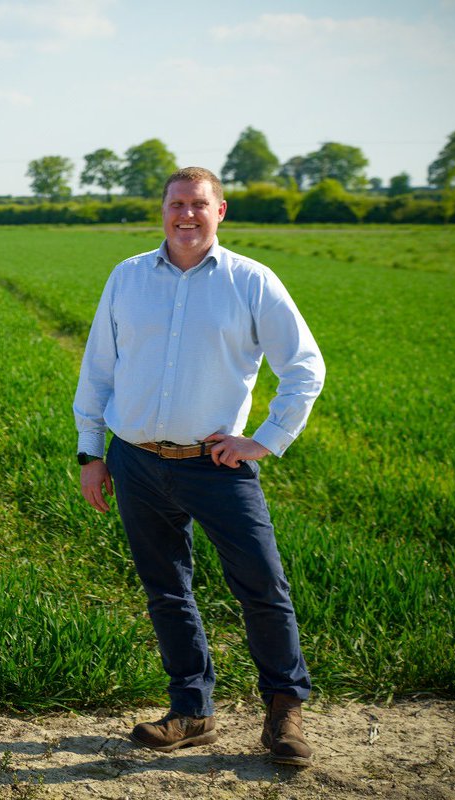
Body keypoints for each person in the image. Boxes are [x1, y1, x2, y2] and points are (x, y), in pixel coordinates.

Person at [73, 167, 325, 767]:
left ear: (221, 211)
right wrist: (91, 453)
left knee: (262, 587)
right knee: (166, 591)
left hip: (217, 465)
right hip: (135, 461)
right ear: (162, 210)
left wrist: (263, 440)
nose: (186, 215)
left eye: (198, 205)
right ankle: (192, 711)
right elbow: (98, 370)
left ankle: (284, 714)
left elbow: (304, 368)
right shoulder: (128, 277)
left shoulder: (251, 282)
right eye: (176, 204)